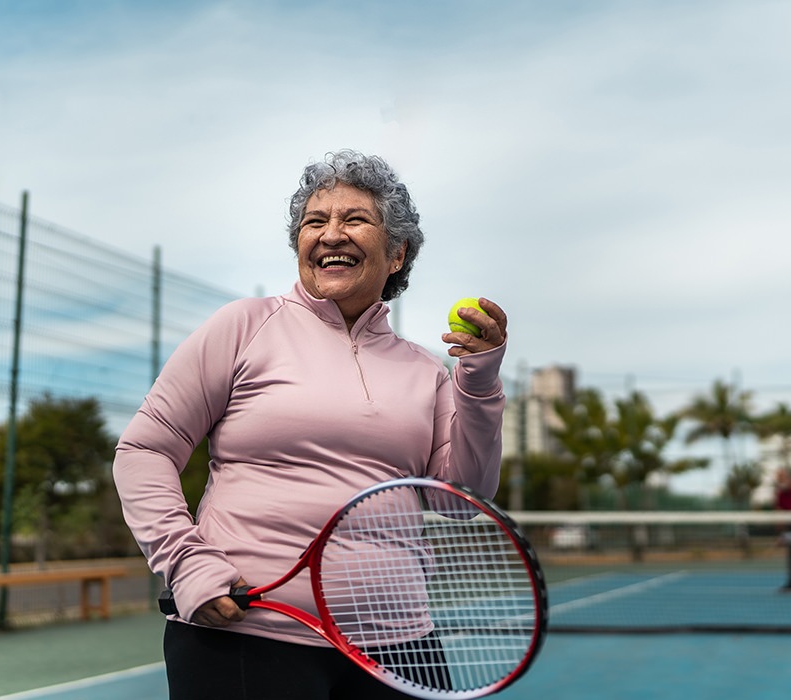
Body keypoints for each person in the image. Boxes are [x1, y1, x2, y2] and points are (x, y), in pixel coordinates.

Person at [112, 149, 509, 699]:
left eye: (355, 220)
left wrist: (481, 379)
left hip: (400, 646)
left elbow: (459, 500)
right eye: (314, 223)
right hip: (248, 631)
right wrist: (186, 564)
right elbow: (144, 451)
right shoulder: (245, 325)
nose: (330, 235)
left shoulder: (428, 372)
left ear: (397, 254)